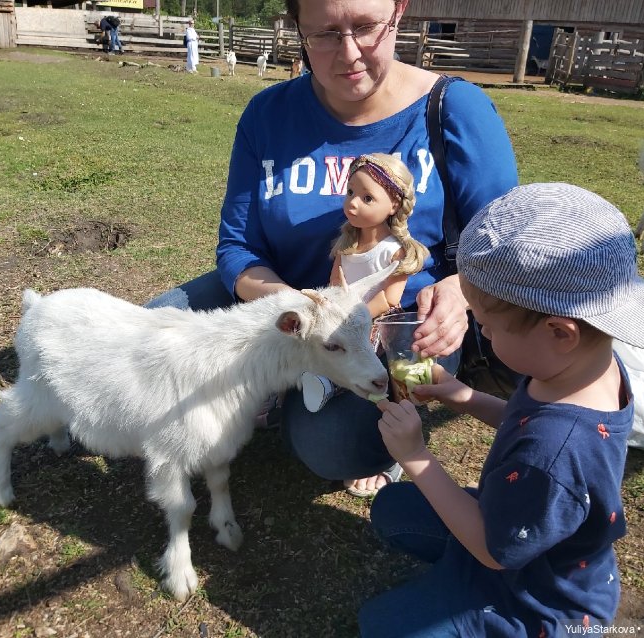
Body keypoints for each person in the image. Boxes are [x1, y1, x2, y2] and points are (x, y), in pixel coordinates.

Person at [147, 0, 518, 498]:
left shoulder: (456, 109)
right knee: (151, 336)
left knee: (332, 448)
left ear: (398, 11)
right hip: (284, 300)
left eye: (365, 27)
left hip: (397, 326)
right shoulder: (268, 115)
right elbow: (238, 247)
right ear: (297, 27)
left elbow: (503, 242)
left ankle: (308, 404)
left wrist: (459, 290)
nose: (349, 53)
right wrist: (300, 311)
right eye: (323, 34)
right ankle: (281, 385)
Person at [359, 183, 644, 637]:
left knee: (380, 627)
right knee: (394, 509)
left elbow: (494, 551)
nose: (484, 336)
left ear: (559, 332)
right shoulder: (583, 369)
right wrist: (461, 394)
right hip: (522, 525)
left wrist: (414, 456)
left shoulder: (553, 454)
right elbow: (525, 417)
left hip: (538, 599)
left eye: (488, 327)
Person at [300, 152, 428, 415]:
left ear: (394, 205)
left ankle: (331, 385)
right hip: (344, 312)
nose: (353, 203)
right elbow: (336, 281)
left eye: (367, 198)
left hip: (376, 317)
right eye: (350, 193)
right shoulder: (347, 244)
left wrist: (357, 317)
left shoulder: (393, 250)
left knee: (359, 350)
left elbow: (390, 298)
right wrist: (334, 308)